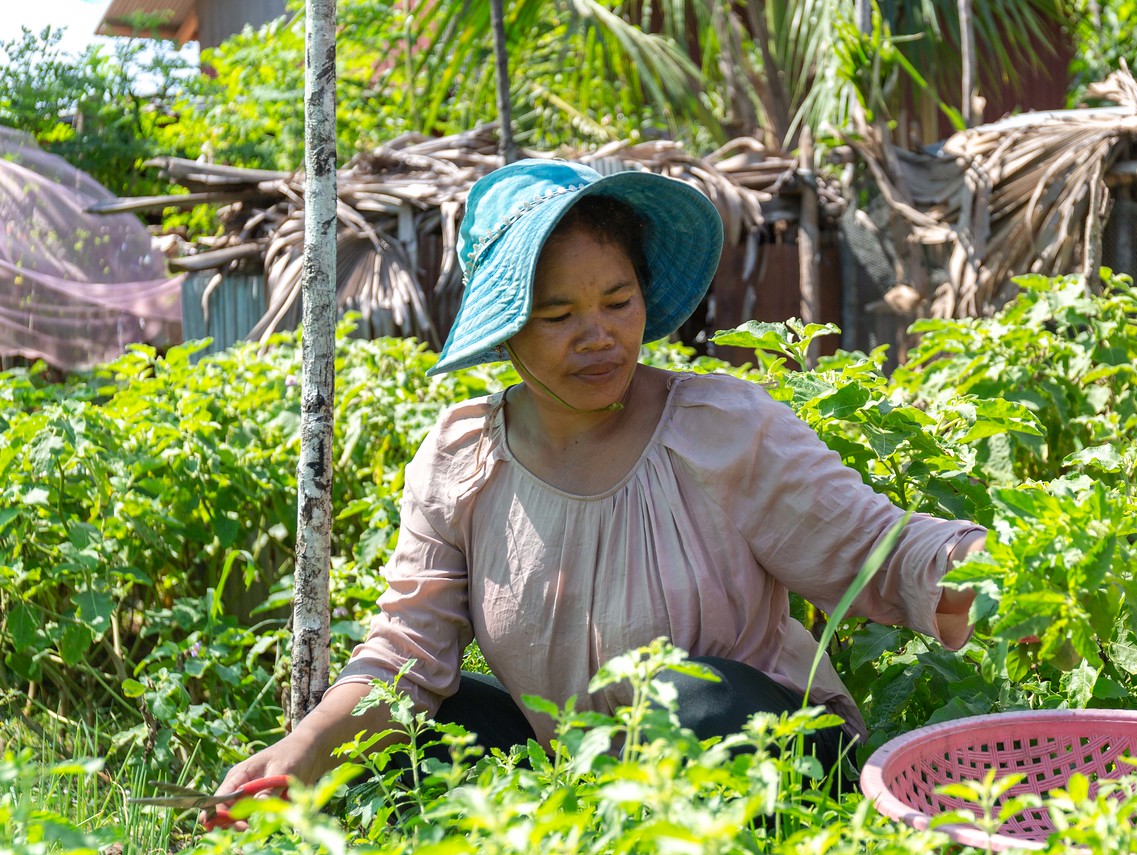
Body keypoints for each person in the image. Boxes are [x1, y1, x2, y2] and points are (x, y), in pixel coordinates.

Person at [217, 159, 986, 799]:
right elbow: (403, 655)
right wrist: (306, 746)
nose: (599, 335)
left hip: (763, 754)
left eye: (618, 301)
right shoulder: (461, 459)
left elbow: (872, 546)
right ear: (505, 329)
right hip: (585, 778)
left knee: (683, 697)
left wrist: (989, 568)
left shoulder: (718, 429)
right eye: (558, 315)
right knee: (404, 731)